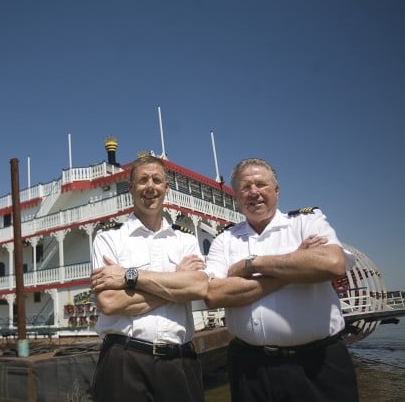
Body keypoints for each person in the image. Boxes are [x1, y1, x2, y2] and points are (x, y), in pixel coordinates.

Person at [203, 158, 359, 402]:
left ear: (276, 190)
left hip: (317, 364)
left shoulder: (306, 221)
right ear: (237, 196)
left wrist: (250, 264)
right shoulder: (225, 240)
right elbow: (213, 294)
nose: (254, 192)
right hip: (249, 367)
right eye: (245, 187)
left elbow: (332, 264)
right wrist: (297, 264)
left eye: (261, 184)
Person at [89, 154, 209, 402]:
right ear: (131, 188)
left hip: (179, 360)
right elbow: (110, 303)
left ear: (166, 187)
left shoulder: (185, 240)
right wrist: (176, 282)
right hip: (123, 360)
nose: (150, 186)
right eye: (143, 180)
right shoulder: (109, 239)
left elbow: (198, 287)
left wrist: (129, 276)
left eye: (157, 180)